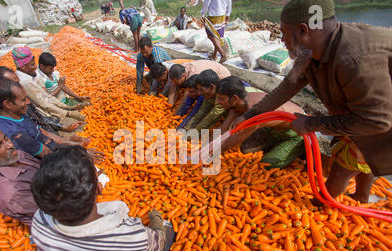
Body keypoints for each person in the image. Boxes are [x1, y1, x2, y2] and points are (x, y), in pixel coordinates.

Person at [231, 0, 392, 203]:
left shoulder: (353, 60)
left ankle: (320, 204)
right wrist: (249, 115)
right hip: (365, 115)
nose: (282, 40)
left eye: (284, 33)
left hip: (379, 118)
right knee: (362, 152)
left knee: (342, 169)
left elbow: (376, 121)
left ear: (303, 30)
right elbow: (285, 89)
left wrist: (310, 124)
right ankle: (361, 196)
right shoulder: (310, 52)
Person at [30, 145, 175, 251]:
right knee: (168, 230)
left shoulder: (39, 222)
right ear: (99, 188)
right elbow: (158, 244)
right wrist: (156, 219)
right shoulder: (130, 236)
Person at [0, 79, 93, 159]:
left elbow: (46, 135)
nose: (28, 102)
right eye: (23, 100)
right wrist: (80, 152)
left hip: (56, 151)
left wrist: (71, 142)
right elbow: (50, 154)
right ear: (8, 104)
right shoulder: (16, 133)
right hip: (53, 162)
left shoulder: (19, 114)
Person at [11, 47, 87, 134]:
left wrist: (69, 106)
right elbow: (44, 103)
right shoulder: (26, 82)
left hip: (51, 112)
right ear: (23, 67)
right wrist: (68, 113)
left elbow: (46, 97)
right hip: (45, 117)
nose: (36, 67)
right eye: (32, 65)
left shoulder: (30, 76)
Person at [0, 66, 84, 135]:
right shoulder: (14, 130)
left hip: (51, 132)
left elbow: (40, 119)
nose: (19, 84)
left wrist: (66, 124)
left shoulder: (19, 102)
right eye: (14, 83)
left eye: (18, 81)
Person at [167, 59, 231, 106]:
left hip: (222, 75)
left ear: (183, 76)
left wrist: (178, 111)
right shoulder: (178, 70)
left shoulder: (194, 74)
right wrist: (170, 104)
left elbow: (187, 94)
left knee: (202, 95)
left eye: (175, 80)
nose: (174, 82)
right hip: (207, 70)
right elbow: (174, 86)